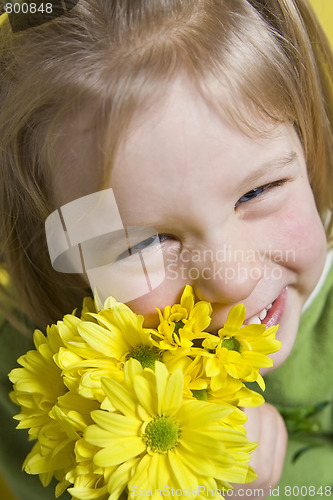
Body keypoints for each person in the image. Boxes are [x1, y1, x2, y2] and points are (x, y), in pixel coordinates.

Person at [0, 1, 332, 499]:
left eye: (257, 192)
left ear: (310, 147)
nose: (232, 279)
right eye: (146, 241)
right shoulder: (42, 383)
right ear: (62, 259)